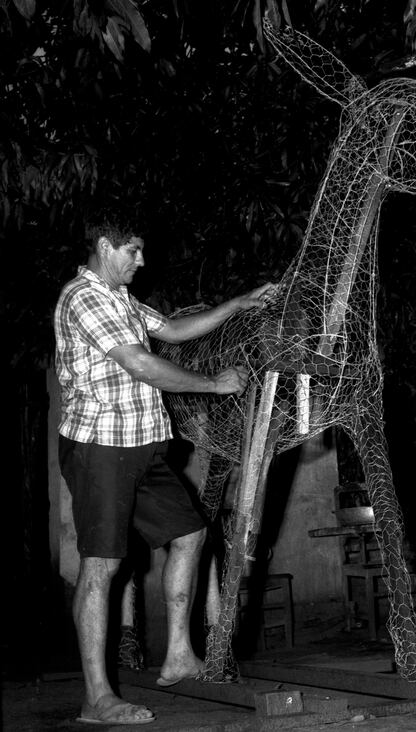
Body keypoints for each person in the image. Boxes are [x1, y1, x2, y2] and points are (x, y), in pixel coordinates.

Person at [54, 216, 276, 725]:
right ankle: (97, 698)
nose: (141, 261)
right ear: (105, 246)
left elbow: (171, 329)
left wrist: (237, 304)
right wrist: (214, 384)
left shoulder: (122, 300)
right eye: (133, 251)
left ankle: (178, 656)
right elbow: (142, 364)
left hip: (145, 446)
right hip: (100, 448)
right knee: (102, 565)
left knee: (192, 533)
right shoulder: (83, 298)